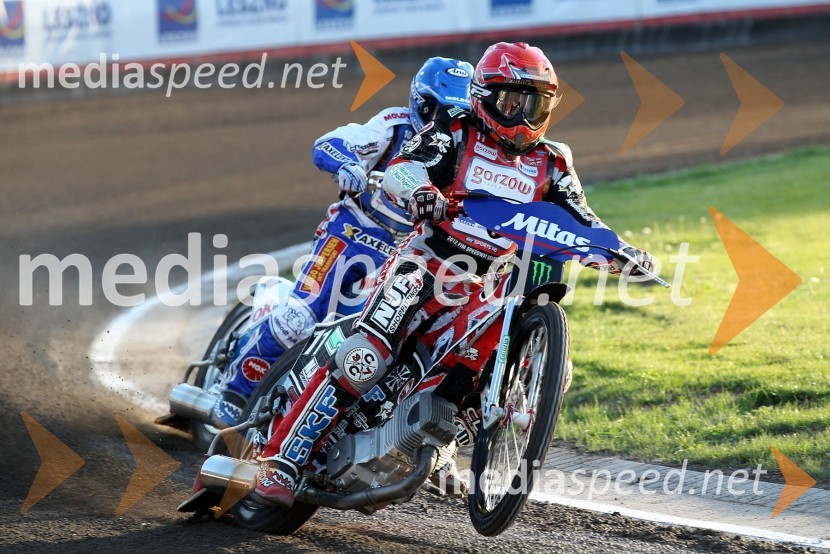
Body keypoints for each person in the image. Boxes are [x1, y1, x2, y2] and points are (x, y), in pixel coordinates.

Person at [253, 42, 656, 507]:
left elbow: (582, 220)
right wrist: (422, 192)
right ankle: (281, 458)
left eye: (537, 104)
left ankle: (436, 439)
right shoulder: (456, 131)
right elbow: (405, 167)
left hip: (486, 284)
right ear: (484, 96)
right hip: (425, 260)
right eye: (513, 101)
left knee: (479, 372)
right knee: (367, 354)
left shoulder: (554, 161)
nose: (524, 116)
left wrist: (621, 252)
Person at [210, 58, 474, 429]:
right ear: (419, 100)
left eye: (458, 113)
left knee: (365, 345)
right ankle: (233, 392)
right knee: (298, 318)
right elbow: (330, 143)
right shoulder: (393, 125)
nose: (443, 120)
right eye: (436, 109)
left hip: (406, 255)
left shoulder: (467, 153)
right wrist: (348, 165)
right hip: (351, 232)